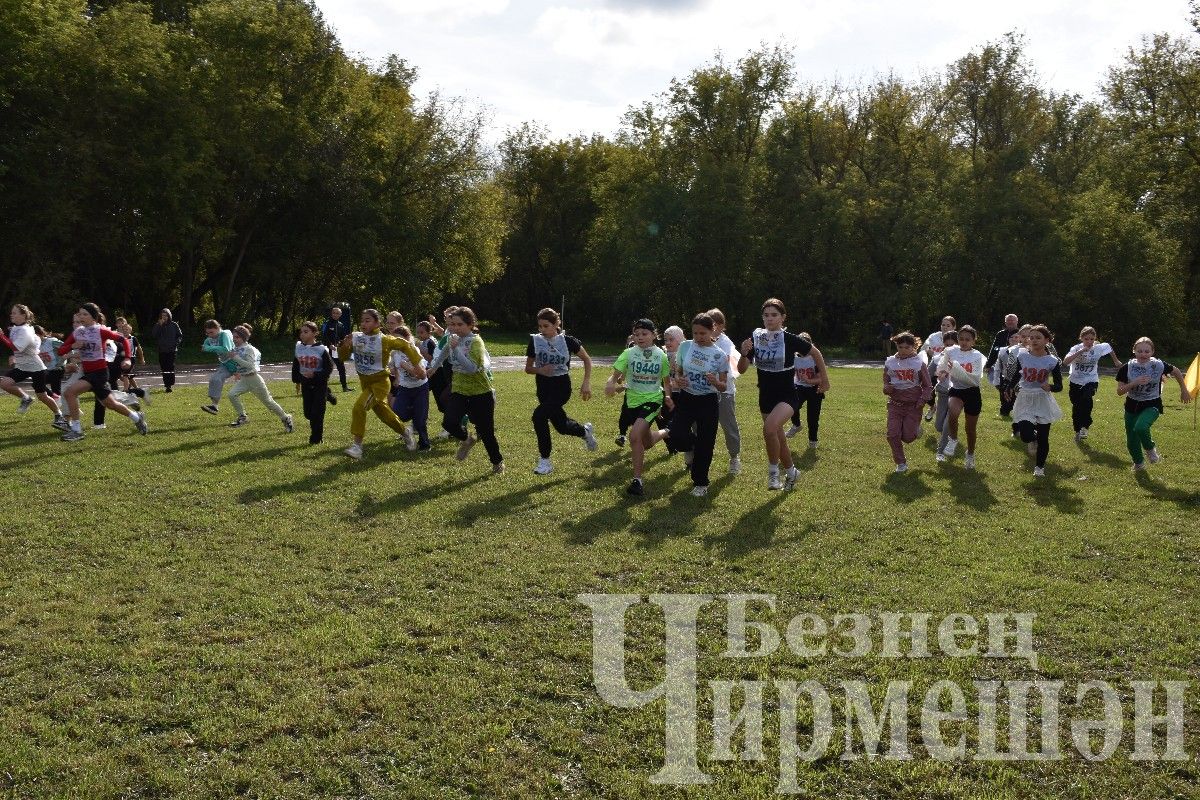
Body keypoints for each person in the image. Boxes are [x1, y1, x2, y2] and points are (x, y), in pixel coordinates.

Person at [738, 298, 827, 490]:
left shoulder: (790, 339)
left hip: (787, 396)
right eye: (766, 315)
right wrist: (744, 354)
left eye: (774, 315)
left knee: (769, 429)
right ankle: (792, 472)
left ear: (783, 317)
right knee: (778, 438)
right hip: (765, 396)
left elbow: (816, 353)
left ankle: (773, 474)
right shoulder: (757, 338)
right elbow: (742, 369)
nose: (769, 319)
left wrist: (825, 380)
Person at [656, 313, 728, 496]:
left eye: (702, 333)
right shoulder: (686, 347)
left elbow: (723, 385)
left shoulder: (719, 355)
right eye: (695, 333)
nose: (698, 337)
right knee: (677, 435)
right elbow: (678, 372)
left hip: (708, 402)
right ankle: (695, 446)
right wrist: (679, 381)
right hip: (687, 399)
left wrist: (715, 382)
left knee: (706, 442)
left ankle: (701, 482)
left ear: (712, 330)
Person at [426, 306, 504, 473]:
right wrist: (434, 367)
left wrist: (456, 349)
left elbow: (471, 368)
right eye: (452, 324)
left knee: (486, 432)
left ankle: (497, 463)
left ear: (470, 325)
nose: (455, 328)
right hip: (460, 391)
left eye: (460, 324)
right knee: (449, 422)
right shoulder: (452, 338)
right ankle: (467, 439)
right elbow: (445, 351)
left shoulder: (476, 342)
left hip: (481, 393)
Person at [56, 302, 148, 440]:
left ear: (93, 317)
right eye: (80, 313)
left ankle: (76, 430)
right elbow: (61, 350)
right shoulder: (78, 332)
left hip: (99, 373)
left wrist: (127, 358)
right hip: (88, 373)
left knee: (70, 392)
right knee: (110, 404)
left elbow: (123, 340)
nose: (81, 316)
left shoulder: (100, 331)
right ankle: (136, 417)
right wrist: (73, 345)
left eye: (85, 314)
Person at [340, 308, 421, 460]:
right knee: (386, 416)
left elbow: (405, 345)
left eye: (367, 320)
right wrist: (344, 345)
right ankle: (406, 432)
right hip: (365, 382)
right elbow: (342, 357)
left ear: (377, 323)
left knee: (359, 407)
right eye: (362, 320)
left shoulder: (384, 339)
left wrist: (416, 364)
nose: (363, 323)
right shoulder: (356, 337)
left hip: (380, 384)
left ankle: (357, 447)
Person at [525, 307, 596, 475]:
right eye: (540, 326)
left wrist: (586, 383)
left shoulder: (569, 341)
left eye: (546, 326)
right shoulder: (535, 341)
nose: (542, 330)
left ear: (557, 324)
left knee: (539, 416)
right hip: (543, 388)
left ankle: (545, 462)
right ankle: (584, 431)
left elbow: (587, 359)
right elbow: (528, 368)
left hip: (561, 387)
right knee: (561, 426)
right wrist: (541, 370)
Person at [605, 319, 672, 496]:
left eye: (644, 334)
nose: (640, 337)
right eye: (637, 334)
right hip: (632, 401)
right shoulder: (628, 354)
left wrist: (668, 396)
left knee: (634, 436)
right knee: (646, 442)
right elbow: (615, 376)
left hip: (652, 400)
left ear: (654, 335)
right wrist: (610, 384)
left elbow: (666, 381)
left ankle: (637, 481)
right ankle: (667, 432)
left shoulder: (661, 356)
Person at [1116, 337, 1191, 471]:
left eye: (1146, 351)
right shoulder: (1127, 368)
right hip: (1132, 406)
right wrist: (1134, 382)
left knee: (1140, 427)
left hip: (1152, 404)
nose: (1143, 354)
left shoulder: (1158, 365)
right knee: (1132, 440)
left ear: (1152, 352)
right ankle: (1138, 463)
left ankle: (1150, 449)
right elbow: (1119, 391)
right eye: (1140, 351)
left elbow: (1176, 371)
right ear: (1134, 351)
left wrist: (1184, 390)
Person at [1002, 324, 1063, 477]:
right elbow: (1017, 375)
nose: (1034, 340)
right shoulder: (1023, 356)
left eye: (1038, 337)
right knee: (1026, 435)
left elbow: (1059, 386)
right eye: (1031, 337)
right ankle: (1032, 439)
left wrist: (1050, 387)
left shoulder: (1052, 361)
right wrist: (1009, 387)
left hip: (1042, 399)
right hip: (1025, 397)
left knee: (1044, 437)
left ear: (1047, 340)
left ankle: (1039, 467)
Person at [224, 324, 293, 432]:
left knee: (268, 403)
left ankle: (286, 418)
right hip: (244, 380)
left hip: (254, 379)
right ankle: (243, 416)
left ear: (243, 337)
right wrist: (234, 367)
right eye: (233, 337)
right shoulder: (235, 349)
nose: (234, 339)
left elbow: (250, 365)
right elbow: (237, 363)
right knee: (232, 394)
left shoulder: (249, 349)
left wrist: (235, 358)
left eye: (237, 337)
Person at [0, 304, 61, 422]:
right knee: (4, 384)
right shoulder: (16, 328)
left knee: (42, 396)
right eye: (11, 312)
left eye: (14, 313)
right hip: (22, 366)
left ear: (23, 315)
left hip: (35, 367)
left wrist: (2, 336)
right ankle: (26, 398)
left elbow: (16, 347)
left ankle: (59, 415)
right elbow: (15, 344)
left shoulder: (26, 330)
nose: (11, 315)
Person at [935, 325, 986, 468]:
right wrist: (943, 372)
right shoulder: (951, 351)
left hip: (972, 392)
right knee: (953, 413)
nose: (964, 342)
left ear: (973, 341)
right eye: (961, 339)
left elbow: (974, 378)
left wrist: (957, 369)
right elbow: (943, 366)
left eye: (967, 339)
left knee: (970, 429)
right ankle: (953, 440)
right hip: (956, 390)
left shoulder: (977, 356)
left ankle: (970, 454)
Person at [1063, 326, 1123, 442]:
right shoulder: (1076, 348)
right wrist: (1080, 351)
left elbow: (1109, 347)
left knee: (1087, 400)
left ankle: (1085, 426)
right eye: (1086, 339)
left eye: (1092, 339)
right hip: (1075, 380)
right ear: (1081, 338)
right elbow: (1065, 362)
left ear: (1095, 338)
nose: (1089, 342)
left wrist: (1116, 361)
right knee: (1077, 406)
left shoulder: (1099, 348)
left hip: (1091, 380)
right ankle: (1077, 430)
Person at [883, 332, 932, 472]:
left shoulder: (918, 363)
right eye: (900, 347)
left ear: (914, 347)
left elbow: (927, 386)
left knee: (908, 437)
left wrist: (922, 400)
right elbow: (885, 384)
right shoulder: (890, 362)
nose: (903, 350)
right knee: (892, 435)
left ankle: (915, 429)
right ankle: (901, 463)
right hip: (895, 405)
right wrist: (887, 388)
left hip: (913, 406)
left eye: (907, 347)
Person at [708, 309, 742, 475]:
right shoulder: (700, 340)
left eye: (715, 325)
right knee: (698, 425)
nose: (711, 328)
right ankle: (695, 456)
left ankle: (734, 457)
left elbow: (723, 362)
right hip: (704, 391)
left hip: (724, 391)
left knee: (728, 426)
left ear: (721, 327)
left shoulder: (725, 343)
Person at [389, 324, 431, 451]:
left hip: (420, 388)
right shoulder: (395, 353)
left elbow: (422, 375)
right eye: (394, 340)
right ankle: (413, 416)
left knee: (420, 421)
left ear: (407, 338)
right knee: (398, 414)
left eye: (399, 339)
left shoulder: (414, 351)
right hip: (404, 389)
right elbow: (394, 367)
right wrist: (396, 376)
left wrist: (407, 367)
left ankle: (424, 445)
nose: (397, 343)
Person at [292, 321, 335, 445]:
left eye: (306, 332)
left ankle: (316, 438)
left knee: (317, 413)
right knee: (308, 413)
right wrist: (297, 380)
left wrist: (315, 375)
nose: (302, 334)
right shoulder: (299, 347)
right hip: (306, 384)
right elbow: (296, 365)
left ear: (315, 333)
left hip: (320, 384)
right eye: (301, 332)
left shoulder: (321, 349)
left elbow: (329, 368)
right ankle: (328, 394)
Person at [785, 331, 830, 450]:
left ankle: (813, 441)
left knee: (813, 417)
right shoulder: (793, 357)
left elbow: (821, 378)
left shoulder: (815, 358)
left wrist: (809, 381)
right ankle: (796, 425)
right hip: (799, 387)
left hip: (815, 389)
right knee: (791, 407)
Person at [984, 313, 1020, 416]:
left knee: (1015, 388)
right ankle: (1004, 408)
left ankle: (1014, 407)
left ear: (1017, 322)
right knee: (1001, 387)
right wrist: (989, 363)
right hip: (1002, 364)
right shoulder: (1000, 334)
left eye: (1012, 320)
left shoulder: (1020, 333)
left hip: (1017, 366)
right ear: (1005, 322)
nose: (1010, 322)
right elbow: (994, 348)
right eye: (1008, 320)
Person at [199, 320, 237, 416]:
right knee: (214, 379)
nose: (209, 335)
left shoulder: (224, 335)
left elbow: (225, 349)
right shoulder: (209, 339)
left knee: (252, 386)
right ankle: (214, 406)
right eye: (207, 333)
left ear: (218, 328)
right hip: (225, 364)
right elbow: (204, 347)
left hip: (236, 363)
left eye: (211, 332)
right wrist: (207, 348)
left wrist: (209, 348)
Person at [922, 316, 956, 421]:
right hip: (935, 365)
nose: (945, 327)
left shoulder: (956, 338)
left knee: (946, 392)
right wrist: (928, 350)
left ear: (954, 327)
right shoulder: (934, 336)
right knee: (928, 388)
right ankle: (933, 407)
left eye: (948, 325)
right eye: (943, 325)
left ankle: (947, 415)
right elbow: (925, 346)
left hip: (950, 369)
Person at [150, 308, 183, 392]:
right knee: (164, 367)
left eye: (166, 315)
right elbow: (154, 335)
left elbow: (179, 336)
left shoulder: (174, 325)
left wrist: (176, 343)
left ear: (169, 316)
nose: (164, 317)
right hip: (162, 350)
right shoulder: (158, 325)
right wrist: (158, 325)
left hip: (172, 350)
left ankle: (170, 385)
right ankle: (167, 385)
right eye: (162, 315)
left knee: (170, 367)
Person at [322, 304, 352, 392]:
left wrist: (344, 343)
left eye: (337, 313)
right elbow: (324, 336)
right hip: (327, 350)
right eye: (334, 313)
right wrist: (329, 345)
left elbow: (342, 337)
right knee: (325, 369)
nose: (335, 314)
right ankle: (322, 388)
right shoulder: (326, 323)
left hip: (337, 350)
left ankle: (344, 387)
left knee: (341, 368)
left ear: (340, 315)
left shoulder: (341, 325)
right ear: (331, 314)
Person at [34, 325, 65, 400]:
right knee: (56, 391)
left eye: (35, 336)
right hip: (48, 370)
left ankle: (57, 399)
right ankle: (60, 402)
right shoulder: (35, 345)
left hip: (57, 369)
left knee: (37, 384)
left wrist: (62, 361)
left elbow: (66, 347)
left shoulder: (51, 341)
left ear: (41, 334)